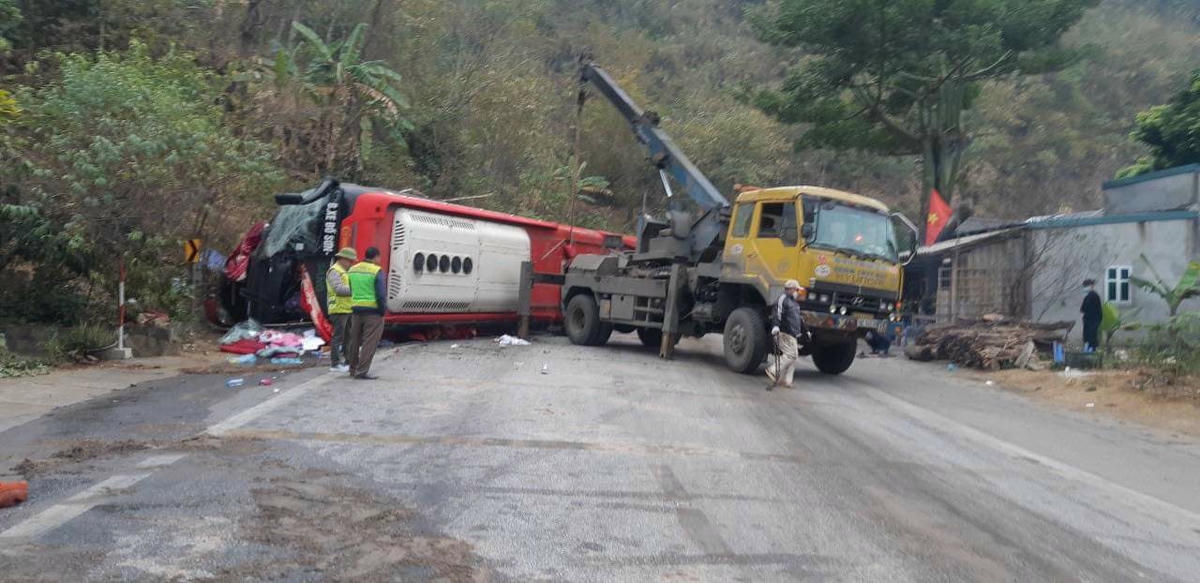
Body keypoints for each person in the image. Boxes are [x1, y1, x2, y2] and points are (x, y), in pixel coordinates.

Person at [346, 247, 387, 380]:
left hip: (356, 310)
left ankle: (352, 369)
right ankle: (362, 371)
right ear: (375, 257)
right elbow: (381, 294)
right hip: (373, 312)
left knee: (354, 340)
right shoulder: (376, 271)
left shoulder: (352, 269)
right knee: (369, 342)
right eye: (379, 257)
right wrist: (382, 310)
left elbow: (351, 289)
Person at [766, 279, 805, 390]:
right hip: (784, 332)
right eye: (797, 289)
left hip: (793, 333)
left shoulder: (794, 302)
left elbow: (798, 319)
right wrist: (776, 326)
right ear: (791, 289)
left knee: (793, 357)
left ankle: (786, 380)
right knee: (792, 355)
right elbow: (776, 313)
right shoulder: (783, 299)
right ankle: (773, 370)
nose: (798, 292)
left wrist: (804, 332)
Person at [325, 247, 357, 373]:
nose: (351, 263)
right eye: (350, 261)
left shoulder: (345, 271)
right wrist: (355, 290)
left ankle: (348, 361)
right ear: (343, 259)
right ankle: (335, 363)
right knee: (338, 337)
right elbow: (338, 289)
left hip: (347, 308)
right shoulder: (334, 271)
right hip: (338, 309)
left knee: (348, 337)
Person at [1080, 278, 1102, 352]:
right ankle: (1089, 351)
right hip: (1090, 321)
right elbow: (1083, 309)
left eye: (1086, 286)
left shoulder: (1093, 296)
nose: (1085, 288)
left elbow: (1085, 308)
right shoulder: (1088, 296)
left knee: (1091, 338)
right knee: (1088, 338)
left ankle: (1091, 352)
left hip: (1092, 321)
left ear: (1091, 286)